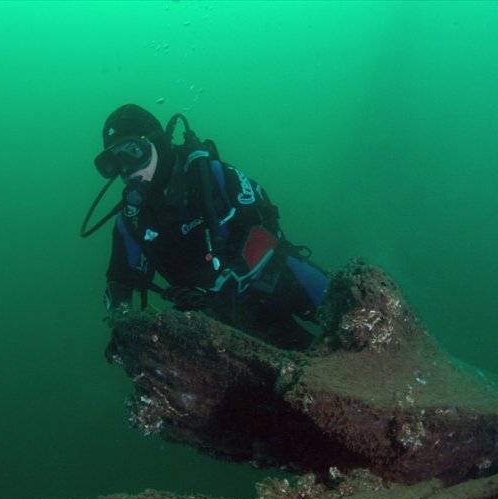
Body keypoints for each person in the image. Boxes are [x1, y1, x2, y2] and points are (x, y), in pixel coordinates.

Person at [83, 104, 330, 350]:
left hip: (279, 278)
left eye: (133, 152)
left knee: (347, 309)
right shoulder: (131, 220)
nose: (126, 169)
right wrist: (122, 324)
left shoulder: (211, 175)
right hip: (225, 319)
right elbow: (120, 278)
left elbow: (264, 225)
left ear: (156, 142)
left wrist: (229, 280)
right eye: (114, 161)